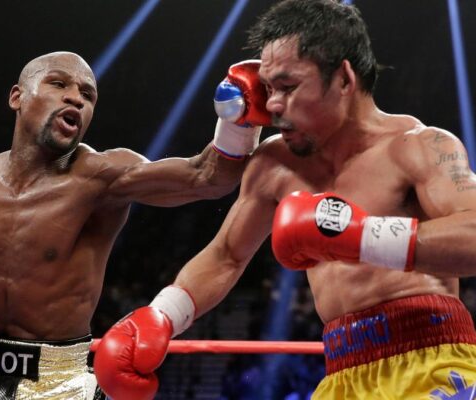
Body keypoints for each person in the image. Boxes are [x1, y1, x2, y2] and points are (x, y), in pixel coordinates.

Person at [94, 1, 476, 399]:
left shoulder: (418, 147)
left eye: (288, 87)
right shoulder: (275, 163)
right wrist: (161, 315)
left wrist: (361, 236)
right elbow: (226, 255)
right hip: (342, 372)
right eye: (268, 88)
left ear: (344, 79)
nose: (273, 105)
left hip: (433, 358)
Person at [0, 51, 270, 399]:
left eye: (87, 95)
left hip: (56, 384)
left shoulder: (101, 177)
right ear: (17, 97)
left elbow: (207, 177)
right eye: (59, 83)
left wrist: (240, 118)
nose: (76, 98)